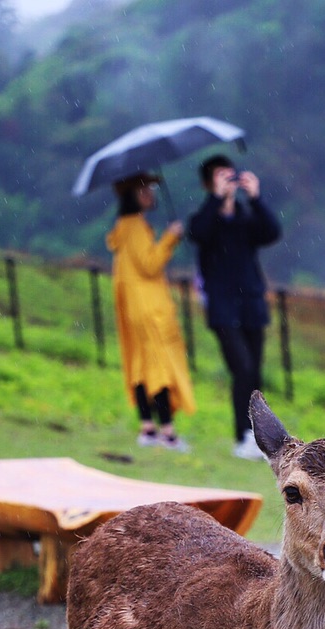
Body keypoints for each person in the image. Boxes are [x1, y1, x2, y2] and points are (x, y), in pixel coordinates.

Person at [187, 154, 282, 460]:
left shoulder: (245, 218)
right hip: (222, 306)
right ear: (208, 183)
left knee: (254, 372)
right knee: (241, 369)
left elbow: (271, 232)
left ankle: (258, 439)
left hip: (251, 301)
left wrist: (255, 197)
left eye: (230, 174)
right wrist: (216, 200)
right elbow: (199, 233)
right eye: (220, 176)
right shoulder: (206, 219)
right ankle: (243, 435)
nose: (228, 180)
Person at [106, 173, 195, 450]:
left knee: (141, 368)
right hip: (149, 310)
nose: (150, 194)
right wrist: (171, 237)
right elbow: (150, 264)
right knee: (159, 369)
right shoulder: (134, 227)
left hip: (137, 308)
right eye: (144, 190)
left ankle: (148, 427)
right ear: (133, 195)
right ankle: (166, 431)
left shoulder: (126, 226)